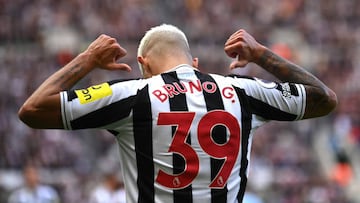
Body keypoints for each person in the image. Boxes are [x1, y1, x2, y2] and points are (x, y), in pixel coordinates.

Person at [18, 24, 337, 202]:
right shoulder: (243, 91)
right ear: (194, 61)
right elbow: (324, 99)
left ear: (143, 66)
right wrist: (261, 55)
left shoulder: (131, 94)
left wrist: (87, 58)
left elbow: (33, 109)